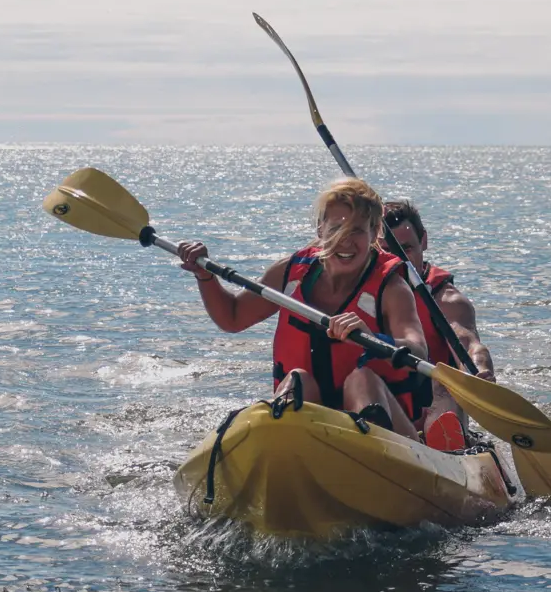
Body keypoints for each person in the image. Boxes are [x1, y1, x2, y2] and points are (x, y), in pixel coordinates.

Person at [175, 178, 428, 441]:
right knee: (298, 380)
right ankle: (286, 445)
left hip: (385, 429)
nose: (345, 241)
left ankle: (368, 453)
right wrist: (205, 277)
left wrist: (374, 340)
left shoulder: (392, 287)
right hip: (314, 426)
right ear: (321, 229)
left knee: (363, 380)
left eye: (356, 231)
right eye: (336, 229)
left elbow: (419, 351)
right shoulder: (290, 272)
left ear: (375, 233)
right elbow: (233, 318)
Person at [383, 199, 495, 447]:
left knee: (444, 383)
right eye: (387, 252)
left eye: (406, 249)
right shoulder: (355, 294)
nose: (396, 261)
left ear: (423, 241)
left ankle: (447, 445)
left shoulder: (448, 301)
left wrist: (479, 371)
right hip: (383, 403)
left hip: (433, 410)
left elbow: (468, 344)